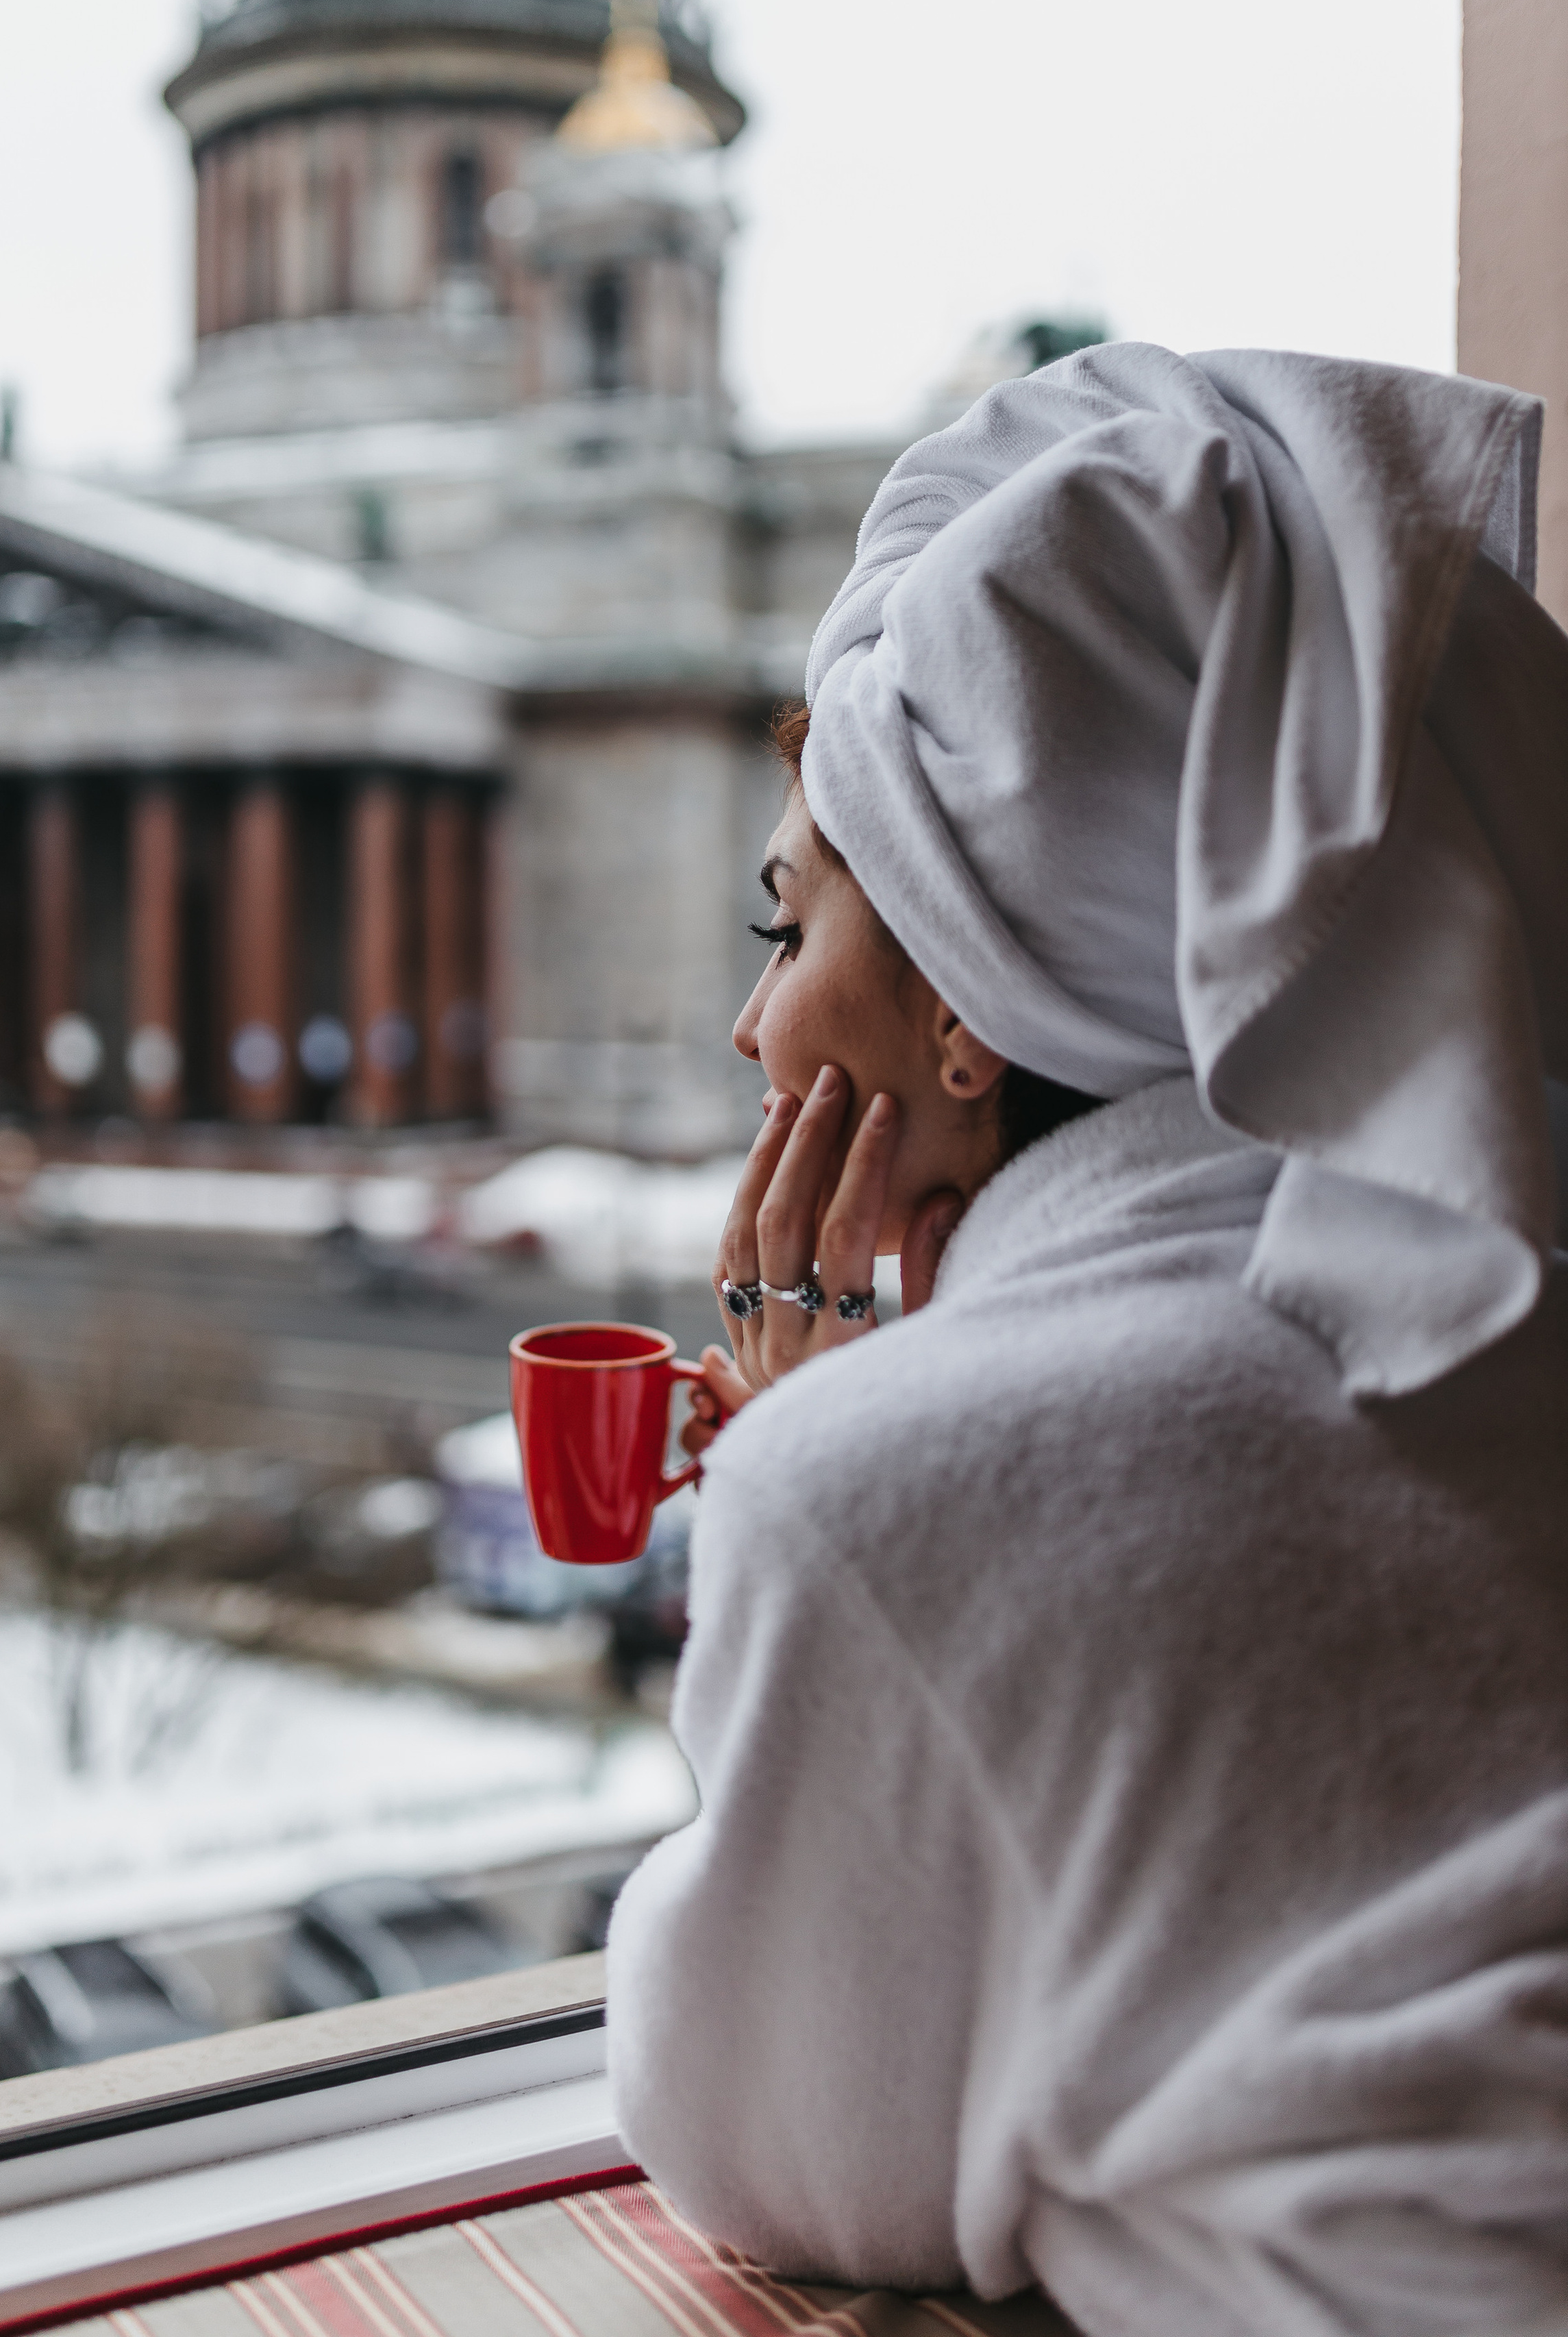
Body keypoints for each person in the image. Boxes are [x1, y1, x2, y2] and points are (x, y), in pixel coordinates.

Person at [604, 343, 1568, 2337]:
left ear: (966, 991)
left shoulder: (889, 1486)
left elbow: (769, 2153)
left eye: (788, 930)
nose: (752, 1031)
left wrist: (821, 1470)